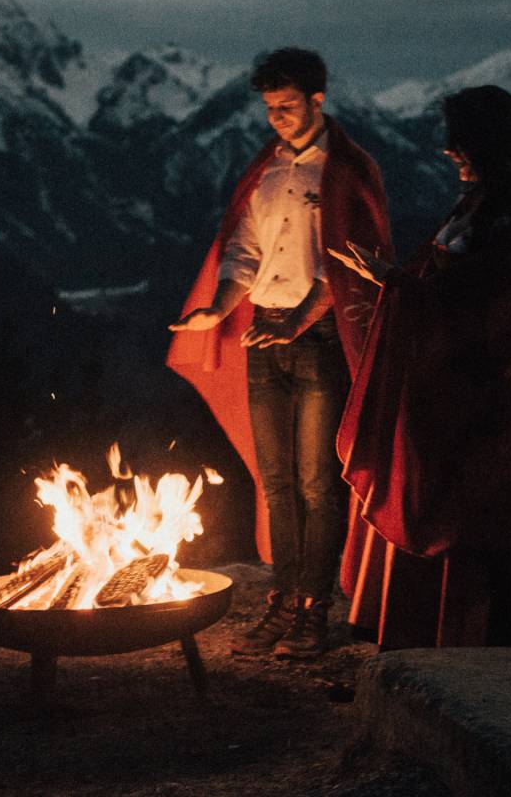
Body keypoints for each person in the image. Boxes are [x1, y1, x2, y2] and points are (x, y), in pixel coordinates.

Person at [167, 47, 391, 659]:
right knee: (275, 484)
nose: (277, 120)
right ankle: (284, 600)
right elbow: (242, 250)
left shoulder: (346, 170)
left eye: (287, 107)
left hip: (319, 338)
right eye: (269, 110)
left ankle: (315, 610)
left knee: (318, 483)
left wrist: (298, 321)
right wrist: (218, 307)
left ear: (318, 100)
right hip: (265, 333)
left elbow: (349, 267)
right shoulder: (265, 171)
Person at [330, 83, 511, 649]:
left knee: (462, 520)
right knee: (426, 502)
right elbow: (448, 286)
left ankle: (468, 652)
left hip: (476, 403)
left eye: (460, 139)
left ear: (487, 142)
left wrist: (398, 287)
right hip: (438, 389)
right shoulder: (480, 203)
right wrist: (394, 285)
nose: (449, 149)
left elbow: (491, 312)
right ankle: (415, 648)